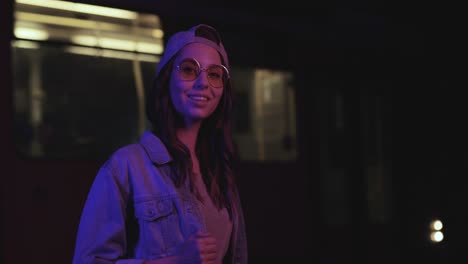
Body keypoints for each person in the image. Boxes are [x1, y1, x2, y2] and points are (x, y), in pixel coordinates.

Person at [72, 24, 248, 264]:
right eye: (189, 69)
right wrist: (176, 261)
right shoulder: (124, 167)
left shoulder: (221, 170)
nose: (203, 83)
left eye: (214, 74)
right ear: (167, 80)